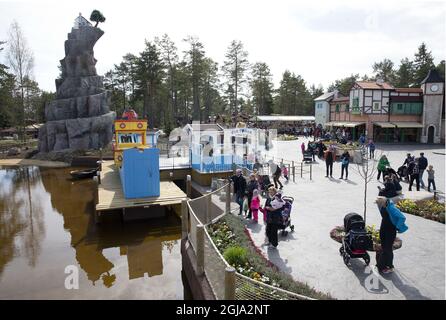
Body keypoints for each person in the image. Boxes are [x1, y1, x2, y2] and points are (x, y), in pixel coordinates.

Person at [375, 197, 397, 274]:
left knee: (388, 249)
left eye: (379, 203)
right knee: (384, 247)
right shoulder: (382, 206)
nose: (378, 205)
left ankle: (390, 266)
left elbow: (400, 217)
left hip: (390, 230)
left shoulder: (391, 208)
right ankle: (383, 264)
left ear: (383, 202)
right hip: (384, 228)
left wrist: (399, 227)